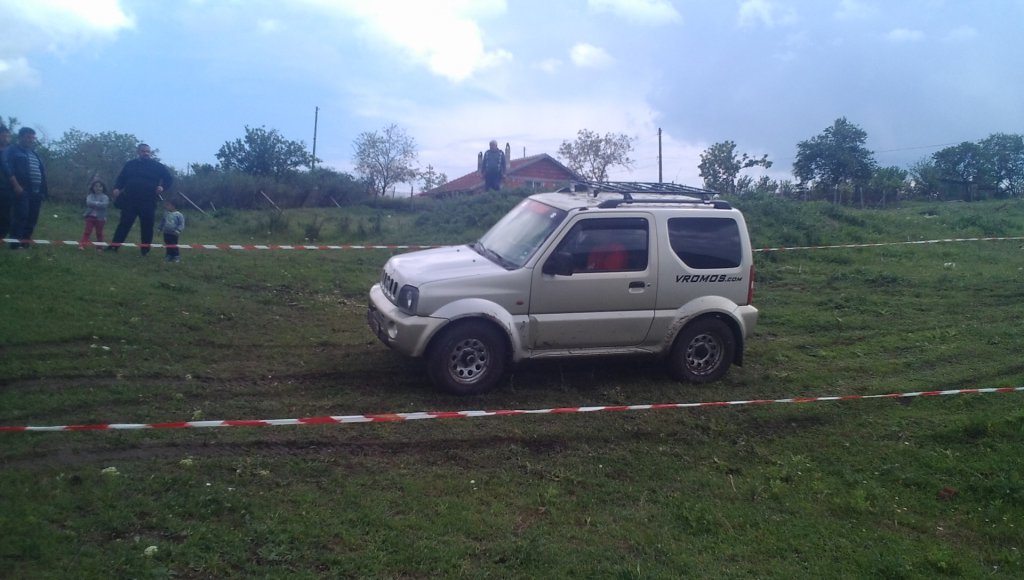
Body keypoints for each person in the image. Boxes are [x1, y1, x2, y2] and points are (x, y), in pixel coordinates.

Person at [109, 143, 174, 255]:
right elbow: (121, 178)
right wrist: (117, 188)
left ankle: (145, 250)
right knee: (124, 224)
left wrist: (162, 187)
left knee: (147, 226)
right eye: (143, 151)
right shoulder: (130, 164)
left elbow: (169, 179)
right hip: (130, 200)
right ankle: (114, 247)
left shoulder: (157, 166)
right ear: (138, 152)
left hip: (148, 201)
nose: (146, 153)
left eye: (148, 151)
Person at [4, 127, 48, 249]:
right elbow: (8, 169)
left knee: (32, 218)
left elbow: (41, 172)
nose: (31, 140)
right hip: (22, 189)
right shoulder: (12, 150)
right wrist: (16, 186)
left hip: (36, 192)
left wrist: (43, 191)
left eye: (33, 138)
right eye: (28, 137)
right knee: (21, 216)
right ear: (21, 137)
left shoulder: (34, 153)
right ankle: (15, 244)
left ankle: (25, 243)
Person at [79, 180, 111, 249]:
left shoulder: (105, 197)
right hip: (90, 217)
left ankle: (99, 247)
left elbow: (104, 205)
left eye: (100, 186)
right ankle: (82, 245)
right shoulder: (90, 196)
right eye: (96, 186)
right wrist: (99, 203)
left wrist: (94, 203)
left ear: (103, 188)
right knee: (87, 232)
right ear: (93, 188)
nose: (98, 188)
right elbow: (88, 203)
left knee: (99, 233)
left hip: (101, 218)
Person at [158, 198, 185, 263]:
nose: (166, 206)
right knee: (167, 244)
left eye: (168, 205)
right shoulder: (166, 213)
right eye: (166, 205)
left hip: (174, 233)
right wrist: (159, 228)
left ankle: (176, 256)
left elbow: (181, 224)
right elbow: (162, 221)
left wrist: (178, 230)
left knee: (173, 245)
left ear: (173, 206)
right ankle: (169, 255)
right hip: (166, 232)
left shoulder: (179, 214)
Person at [0, 125, 12, 241]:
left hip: (7, 187)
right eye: (3, 136)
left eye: (8, 136)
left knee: (5, 214)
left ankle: (2, 237)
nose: (6, 139)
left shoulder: (11, 152)